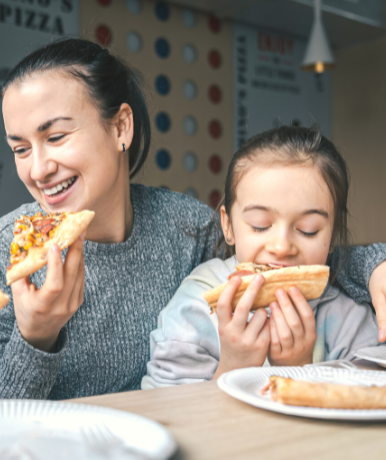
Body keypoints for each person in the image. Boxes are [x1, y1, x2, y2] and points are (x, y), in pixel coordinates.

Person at [0, 38, 386, 400]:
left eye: (55, 137)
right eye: (20, 149)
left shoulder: (186, 229)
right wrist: (37, 338)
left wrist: (375, 267)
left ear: (121, 127)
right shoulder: (3, 251)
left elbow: (287, 263)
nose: (37, 169)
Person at [143, 126, 380, 388]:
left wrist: (299, 370)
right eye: (259, 225)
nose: (281, 246)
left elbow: (369, 400)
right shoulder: (198, 303)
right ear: (228, 226)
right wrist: (232, 367)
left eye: (307, 230)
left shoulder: (346, 316)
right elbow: (164, 406)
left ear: (333, 235)